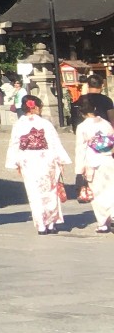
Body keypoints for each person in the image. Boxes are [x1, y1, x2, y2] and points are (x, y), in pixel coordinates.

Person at [6, 94, 70, 234]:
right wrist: (61, 160)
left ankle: (41, 225)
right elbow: (54, 143)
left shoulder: (18, 125)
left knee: (34, 193)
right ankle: (52, 223)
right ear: (34, 107)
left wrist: (16, 162)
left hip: (28, 161)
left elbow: (15, 144)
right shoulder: (44, 123)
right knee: (50, 191)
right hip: (46, 160)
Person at [73, 93, 114, 234]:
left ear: (81, 112)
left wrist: (79, 171)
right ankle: (113, 214)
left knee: (97, 193)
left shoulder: (82, 127)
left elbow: (80, 150)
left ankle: (103, 223)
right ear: (95, 108)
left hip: (92, 162)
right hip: (108, 159)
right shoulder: (106, 124)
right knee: (111, 190)